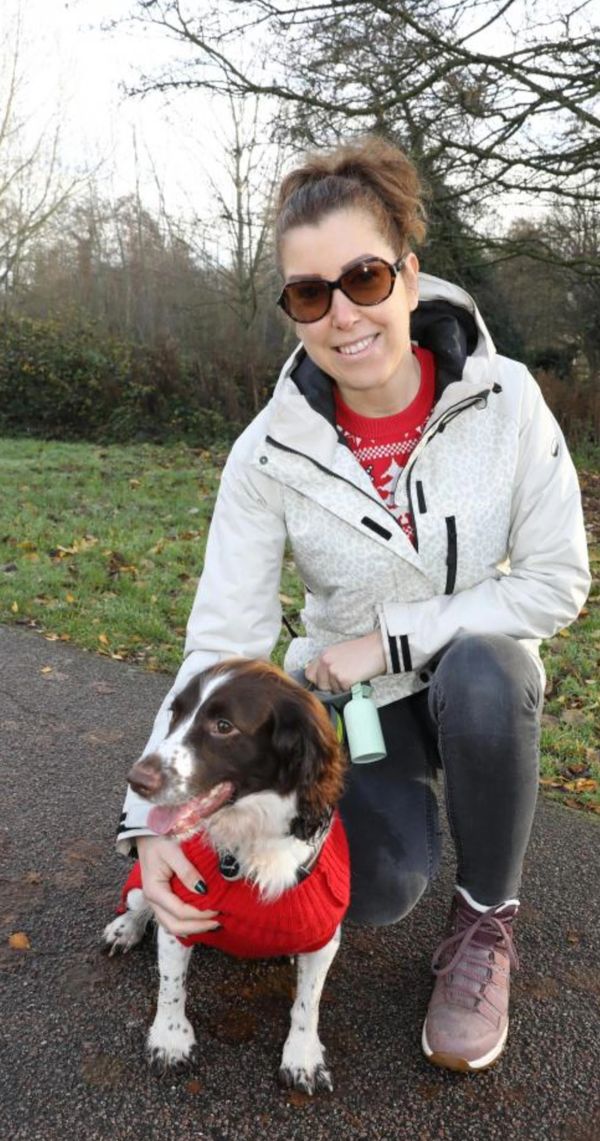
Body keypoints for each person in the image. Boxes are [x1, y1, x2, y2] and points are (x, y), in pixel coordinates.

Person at [116, 136, 590, 1073]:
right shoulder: (267, 451)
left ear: (409, 275)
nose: (341, 314)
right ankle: (415, 829)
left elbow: (556, 581)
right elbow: (224, 639)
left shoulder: (511, 401)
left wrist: (394, 638)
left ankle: (486, 923)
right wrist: (152, 826)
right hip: (356, 708)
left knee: (493, 670)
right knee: (372, 890)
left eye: (364, 276)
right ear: (293, 310)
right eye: (308, 293)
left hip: (466, 674)